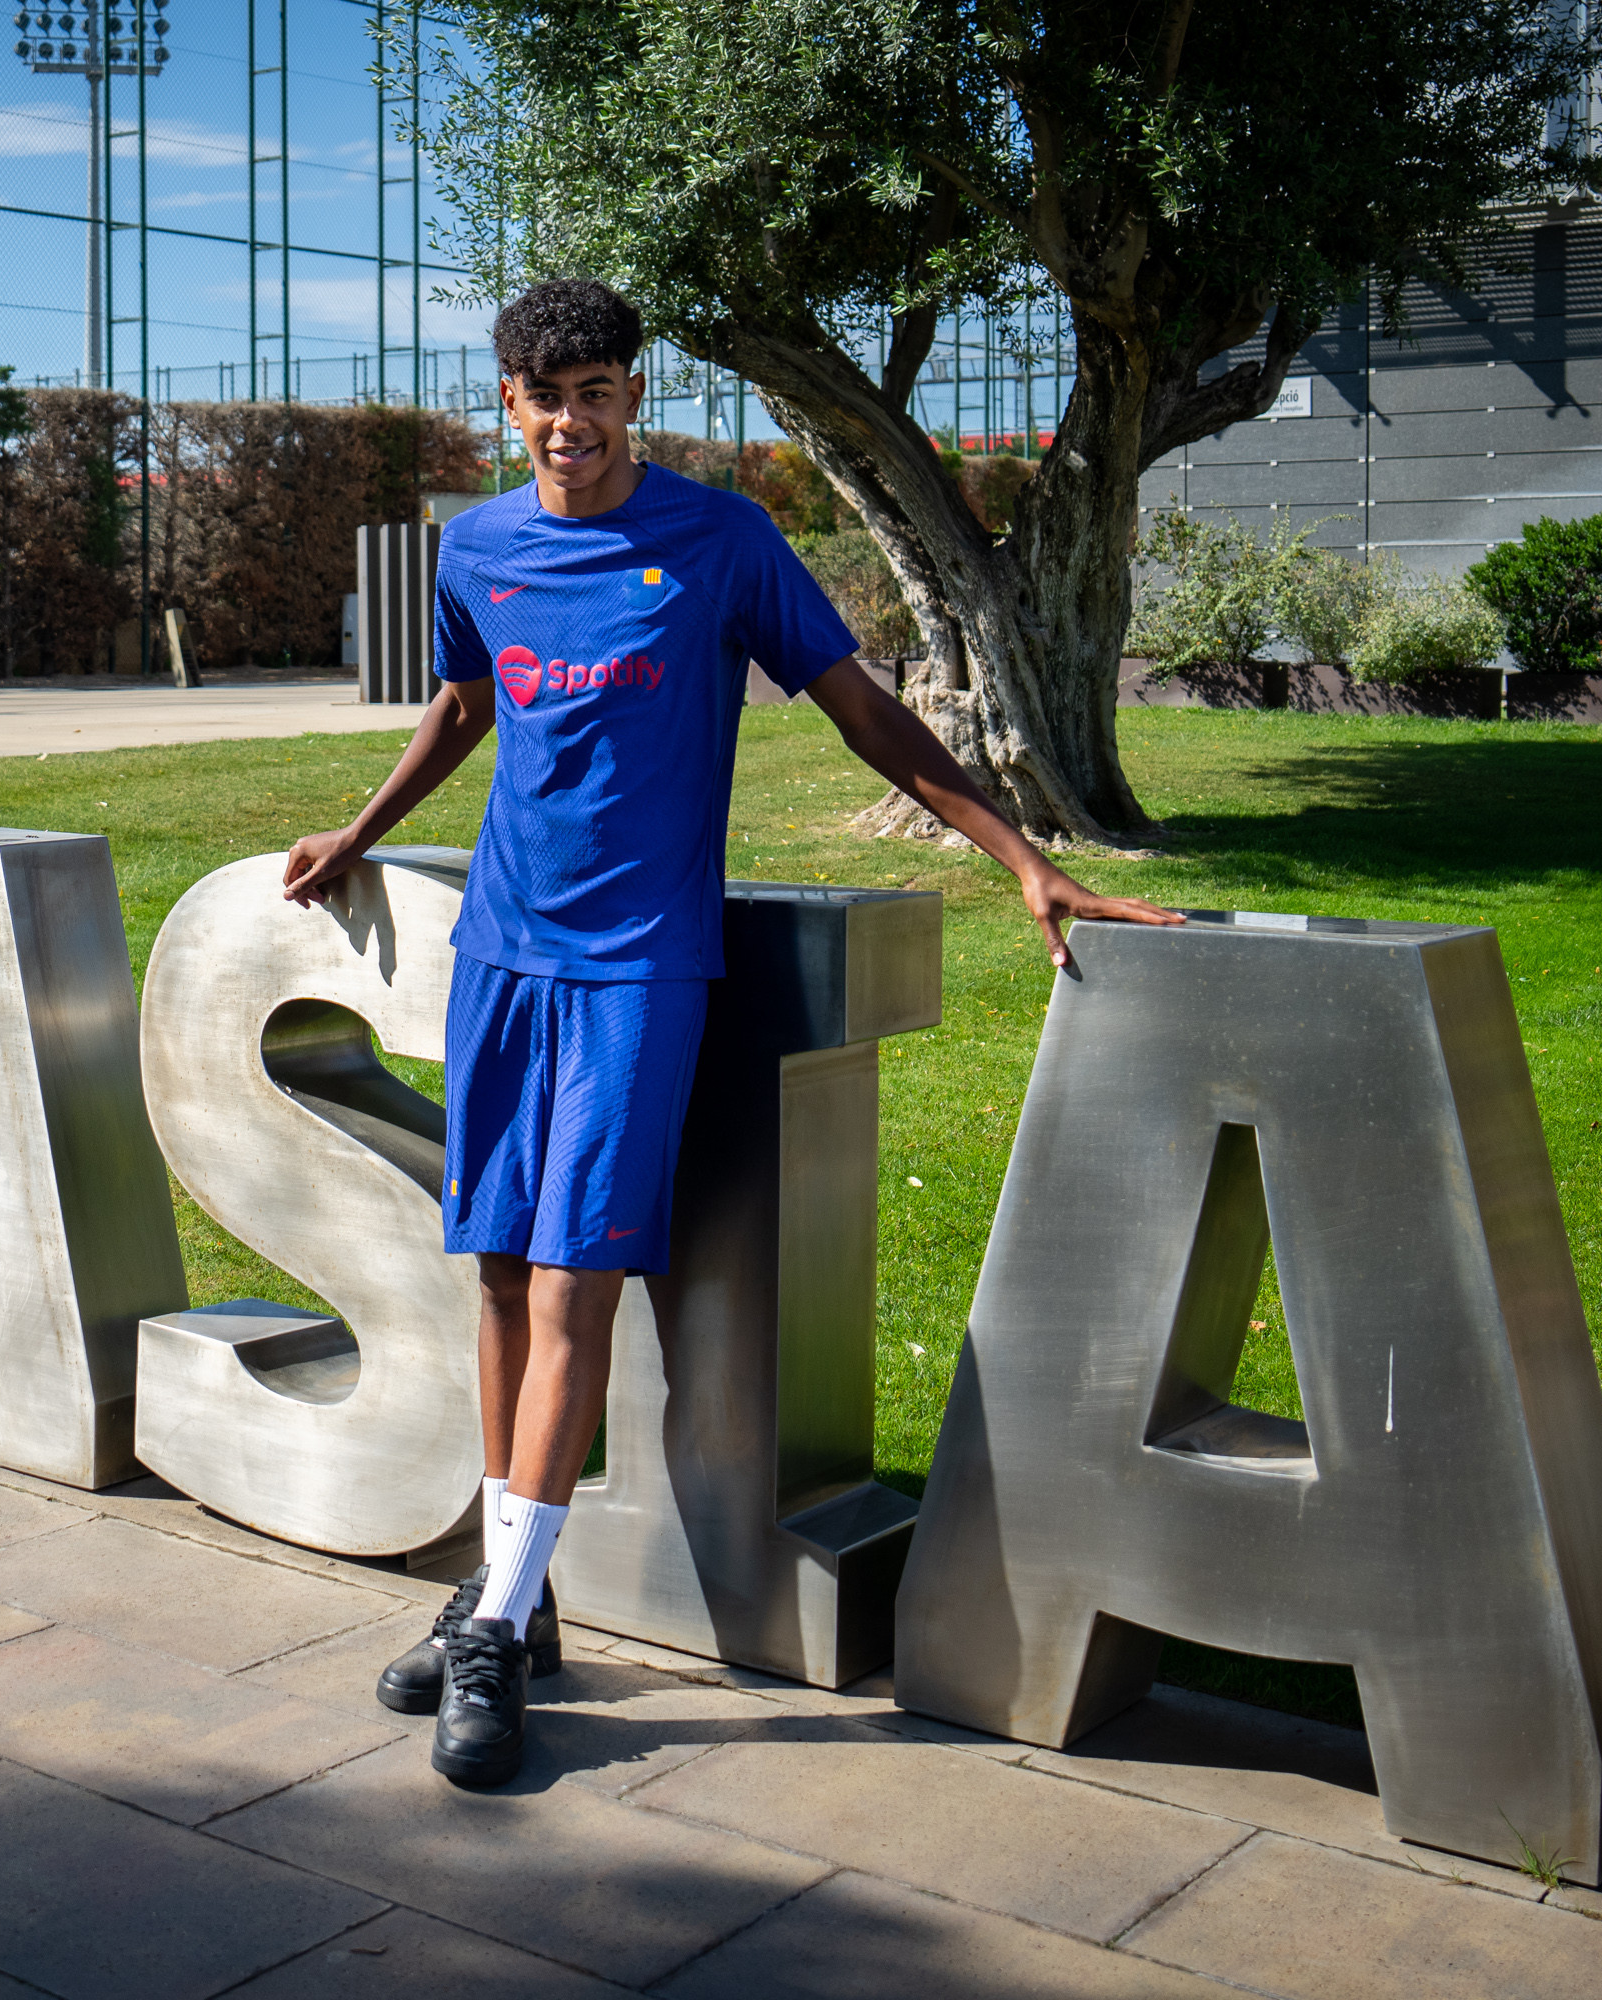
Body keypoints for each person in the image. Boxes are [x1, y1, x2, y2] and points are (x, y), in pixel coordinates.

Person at [281, 277, 1179, 1787]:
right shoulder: (480, 546)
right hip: (501, 952)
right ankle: (523, 1595)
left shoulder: (719, 544)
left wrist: (1021, 854)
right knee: (497, 1277)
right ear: (507, 404)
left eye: (596, 392)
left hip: (641, 968)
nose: (570, 422)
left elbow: (864, 713)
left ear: (636, 395)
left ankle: (491, 1631)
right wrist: (362, 829)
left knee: (574, 1287)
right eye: (541, 396)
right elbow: (462, 707)